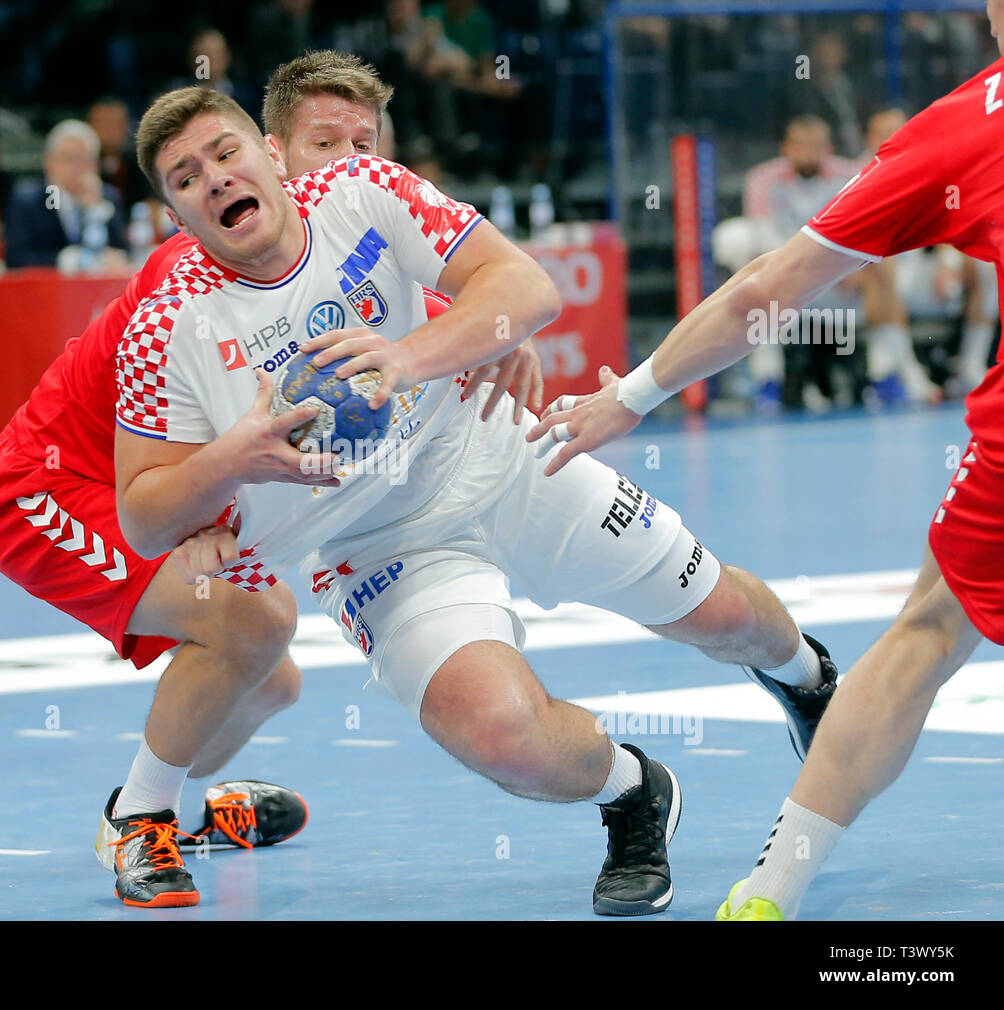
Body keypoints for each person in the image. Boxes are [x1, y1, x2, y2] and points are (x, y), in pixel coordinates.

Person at [114, 82, 838, 919]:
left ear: (268, 156)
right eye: (184, 176)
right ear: (175, 214)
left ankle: (806, 676)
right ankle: (635, 790)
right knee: (501, 735)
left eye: (225, 152)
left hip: (498, 453)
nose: (213, 178)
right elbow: (143, 515)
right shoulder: (166, 324)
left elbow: (524, 288)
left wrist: (406, 358)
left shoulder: (361, 191)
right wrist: (229, 462)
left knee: (722, 620)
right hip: (380, 551)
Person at [0, 51, 521, 911]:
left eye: (360, 145)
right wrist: (206, 497)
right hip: (49, 491)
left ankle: (176, 807)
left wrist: (484, 327)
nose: (348, 166)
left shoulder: (323, 227)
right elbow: (167, 476)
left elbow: (441, 300)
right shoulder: (190, 284)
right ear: (279, 150)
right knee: (254, 620)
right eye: (324, 145)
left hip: (172, 484)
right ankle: (140, 823)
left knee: (271, 678)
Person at [527, 0, 1004, 922]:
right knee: (930, 627)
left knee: (929, 635)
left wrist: (629, 397)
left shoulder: (962, 129)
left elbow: (768, 291)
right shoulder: (950, 136)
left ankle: (769, 893)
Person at [2, 119, 129, 270]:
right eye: (69, 159)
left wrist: (96, 209)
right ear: (50, 162)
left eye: (86, 159)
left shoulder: (107, 196)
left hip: (99, 290)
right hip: (45, 290)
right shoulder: (26, 200)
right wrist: (66, 260)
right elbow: (15, 258)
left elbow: (124, 251)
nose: (78, 167)